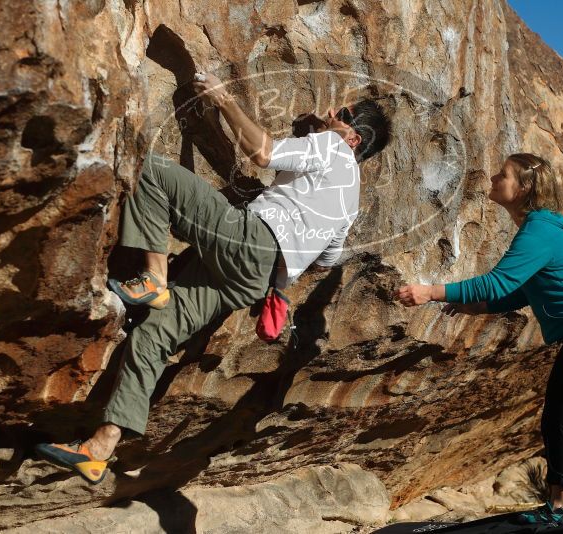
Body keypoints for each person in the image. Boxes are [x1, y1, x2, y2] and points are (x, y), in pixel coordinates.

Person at [35, 71, 391, 484]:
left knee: (152, 171)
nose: (332, 113)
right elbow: (326, 262)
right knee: (154, 336)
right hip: (254, 281)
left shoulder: (332, 148)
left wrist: (224, 101)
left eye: (343, 113)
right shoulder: (351, 200)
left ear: (353, 139)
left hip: (247, 240)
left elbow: (263, 153)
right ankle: (100, 447)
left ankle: (153, 277)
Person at [395, 153, 563, 534]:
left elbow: (498, 282)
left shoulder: (540, 229)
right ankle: (559, 507)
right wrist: (470, 306)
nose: (492, 177)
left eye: (501, 174)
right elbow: (520, 291)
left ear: (524, 188)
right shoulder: (538, 229)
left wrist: (430, 292)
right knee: (557, 419)